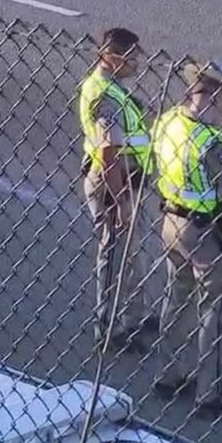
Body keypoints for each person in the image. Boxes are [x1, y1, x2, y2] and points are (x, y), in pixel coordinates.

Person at [149, 59, 222, 418]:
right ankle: (209, 394)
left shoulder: (167, 122)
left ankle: (168, 373)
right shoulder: (212, 142)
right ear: (211, 96)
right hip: (204, 232)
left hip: (169, 222)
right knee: (212, 309)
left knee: (175, 296)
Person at [77, 27, 157, 354]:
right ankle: (107, 327)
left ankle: (135, 315)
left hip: (126, 180)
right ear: (109, 56)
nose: (137, 63)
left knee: (128, 252)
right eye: (131, 57)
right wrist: (121, 199)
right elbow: (109, 153)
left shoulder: (113, 88)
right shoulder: (104, 97)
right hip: (113, 183)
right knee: (113, 257)